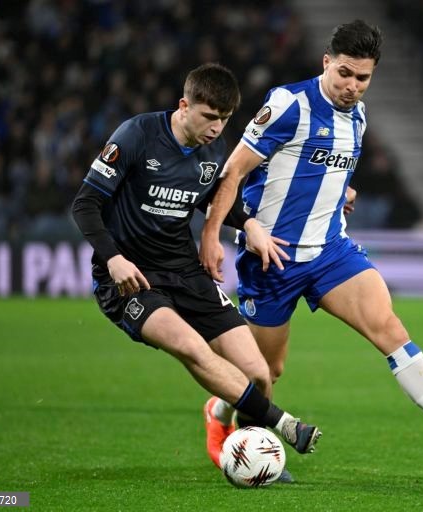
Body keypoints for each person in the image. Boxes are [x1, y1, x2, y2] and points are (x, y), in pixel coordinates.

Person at [199, 20, 423, 477]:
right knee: (265, 373)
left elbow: (324, 170)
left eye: (362, 78)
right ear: (327, 62)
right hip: (273, 258)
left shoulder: (358, 118)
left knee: (390, 328)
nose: (351, 86)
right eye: (344, 73)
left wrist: (341, 193)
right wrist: (220, 234)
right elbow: (232, 173)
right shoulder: (289, 104)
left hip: (330, 252)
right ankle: (221, 419)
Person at [71, 63, 321, 467]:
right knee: (190, 347)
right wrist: (113, 258)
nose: (216, 128)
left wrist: (248, 223)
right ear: (184, 105)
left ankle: (249, 454)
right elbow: (84, 204)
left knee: (259, 372)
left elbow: (209, 197)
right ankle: (284, 425)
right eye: (208, 117)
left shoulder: (213, 150)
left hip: (186, 272)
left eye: (223, 120)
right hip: (133, 279)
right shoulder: (136, 135)